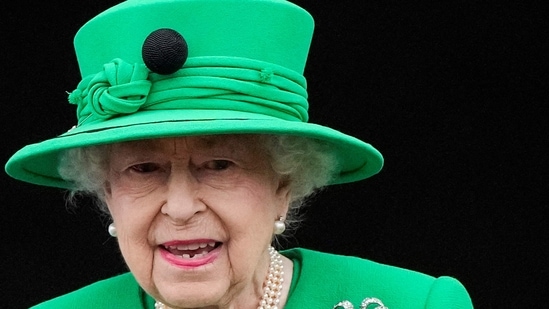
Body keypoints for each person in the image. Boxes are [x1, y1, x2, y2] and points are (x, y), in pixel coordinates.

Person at [5, 0, 473, 308]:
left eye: (219, 165)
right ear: (108, 195)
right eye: (144, 168)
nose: (181, 207)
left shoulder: (418, 302)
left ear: (283, 188)